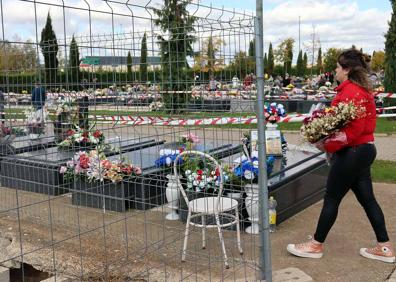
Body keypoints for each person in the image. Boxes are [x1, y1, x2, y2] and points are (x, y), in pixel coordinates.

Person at [287, 48, 395, 263]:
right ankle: (385, 248)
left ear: (346, 70)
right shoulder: (362, 91)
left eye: (337, 67)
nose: (334, 70)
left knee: (332, 198)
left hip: (353, 152)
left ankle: (315, 245)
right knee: (367, 199)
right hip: (365, 150)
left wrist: (324, 143)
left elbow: (352, 130)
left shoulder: (350, 92)